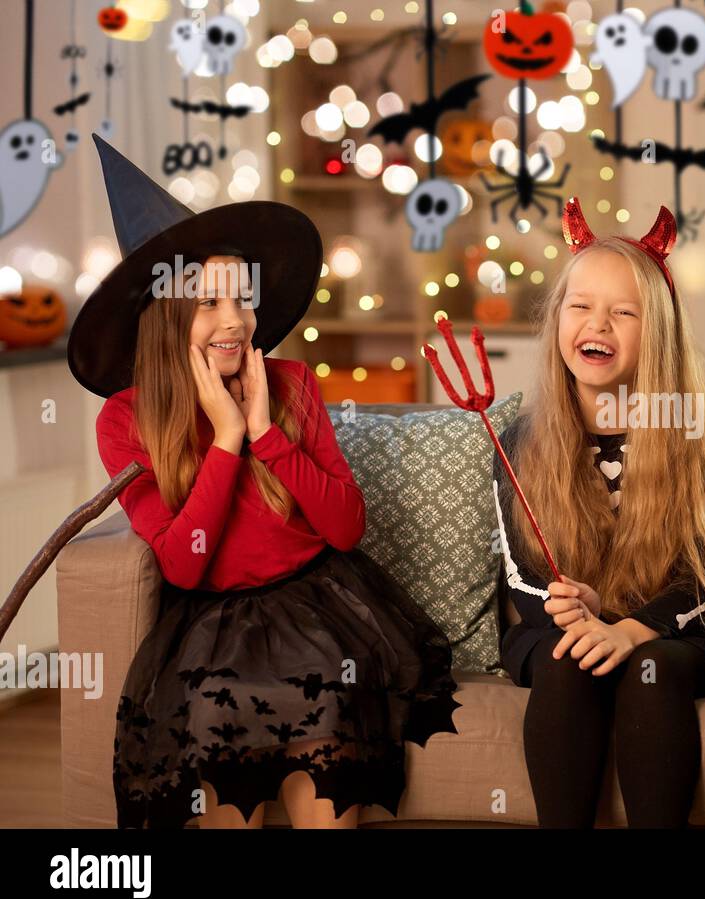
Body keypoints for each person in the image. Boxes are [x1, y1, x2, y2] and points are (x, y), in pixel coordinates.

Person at [69, 136, 459, 828]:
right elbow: (185, 566)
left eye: (240, 301)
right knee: (221, 731)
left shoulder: (293, 384)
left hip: (319, 603)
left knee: (328, 725)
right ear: (168, 316)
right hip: (214, 619)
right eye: (210, 304)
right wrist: (224, 439)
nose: (236, 321)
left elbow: (344, 526)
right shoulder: (124, 421)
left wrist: (266, 433)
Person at [490, 198, 705, 827]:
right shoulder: (520, 442)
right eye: (581, 306)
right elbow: (520, 572)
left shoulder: (697, 438)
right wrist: (575, 613)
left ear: (660, 332)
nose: (600, 324)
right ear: (559, 318)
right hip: (568, 626)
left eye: (625, 312)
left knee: (651, 667)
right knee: (566, 663)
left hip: (681, 628)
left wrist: (628, 630)